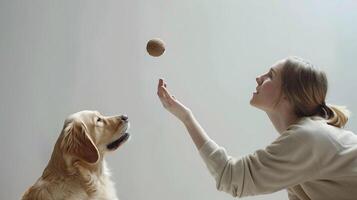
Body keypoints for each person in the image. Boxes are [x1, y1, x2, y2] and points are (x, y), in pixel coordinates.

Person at [157, 56, 357, 200]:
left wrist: (187, 118)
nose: (258, 78)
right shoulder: (307, 142)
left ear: (288, 95)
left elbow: (231, 177)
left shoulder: (309, 137)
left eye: (270, 75)